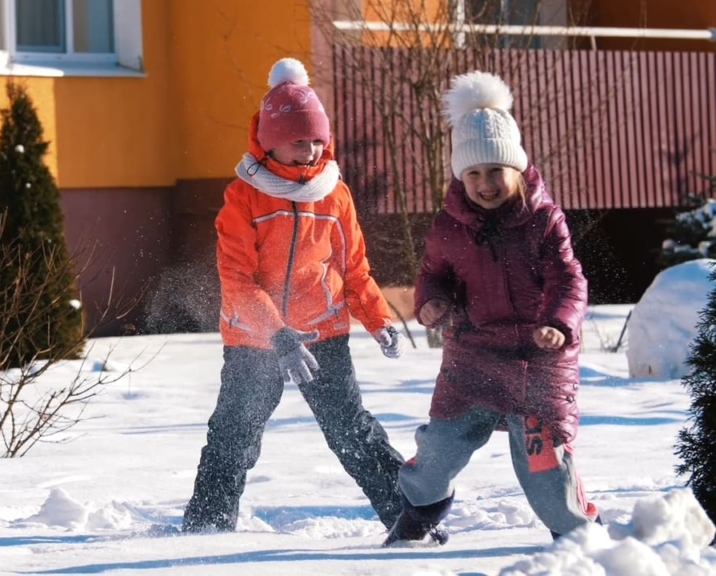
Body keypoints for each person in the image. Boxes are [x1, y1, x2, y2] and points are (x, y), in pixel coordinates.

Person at [181, 57, 409, 534]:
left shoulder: (335, 195)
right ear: (270, 141)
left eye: (316, 140)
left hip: (323, 332)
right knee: (234, 433)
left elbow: (353, 267)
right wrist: (277, 334)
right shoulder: (244, 196)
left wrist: (378, 319)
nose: (310, 150)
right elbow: (236, 280)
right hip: (254, 339)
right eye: (298, 141)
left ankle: (411, 515)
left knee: (351, 431)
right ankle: (207, 528)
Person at [385, 70, 600, 546]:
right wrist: (432, 301)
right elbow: (433, 273)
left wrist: (558, 323)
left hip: (537, 362)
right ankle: (417, 520)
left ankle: (582, 542)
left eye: (495, 170)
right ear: (461, 176)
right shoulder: (449, 226)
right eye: (474, 173)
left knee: (545, 472)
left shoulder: (544, 221)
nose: (485, 183)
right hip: (474, 358)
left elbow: (569, 278)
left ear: (517, 168)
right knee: (438, 453)